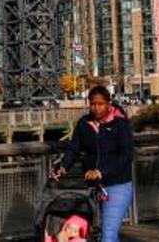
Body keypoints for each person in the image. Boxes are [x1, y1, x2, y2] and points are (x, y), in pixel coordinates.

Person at [51, 86, 135, 242]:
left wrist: (101, 171)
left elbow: (126, 156)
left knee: (108, 235)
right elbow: (74, 149)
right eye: (93, 104)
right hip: (92, 187)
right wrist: (63, 166)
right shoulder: (84, 123)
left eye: (100, 104)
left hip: (118, 186)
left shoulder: (120, 124)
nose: (96, 108)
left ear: (109, 104)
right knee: (99, 233)